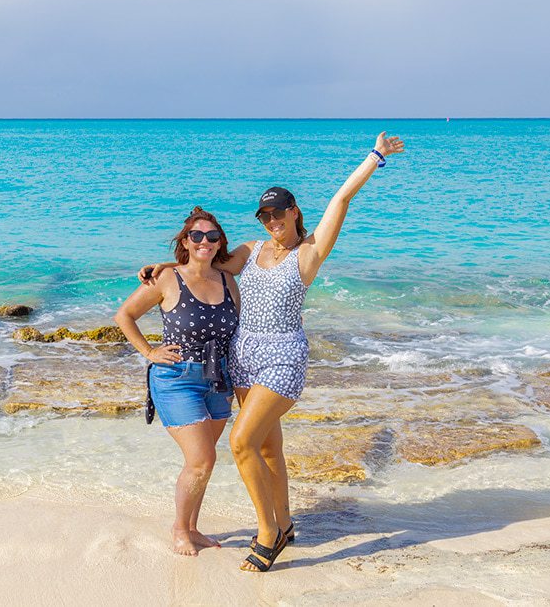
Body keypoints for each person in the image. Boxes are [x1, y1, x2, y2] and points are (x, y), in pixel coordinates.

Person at [139, 132, 405, 571]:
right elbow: (201, 266)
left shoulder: (309, 253)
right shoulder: (251, 250)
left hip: (283, 357)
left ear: (294, 211)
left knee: (241, 441)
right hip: (242, 357)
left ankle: (269, 532)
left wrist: (374, 158)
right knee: (266, 449)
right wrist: (164, 266)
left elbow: (340, 201)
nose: (271, 220)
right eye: (265, 215)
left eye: (278, 212)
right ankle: (286, 520)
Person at [114, 207, 241, 557]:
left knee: (205, 459)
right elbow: (124, 315)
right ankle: (179, 529)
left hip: (219, 378)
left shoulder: (228, 281)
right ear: (186, 241)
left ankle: (192, 527)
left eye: (212, 236)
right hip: (176, 379)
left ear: (219, 243)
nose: (205, 241)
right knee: (201, 460)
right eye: (197, 236)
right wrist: (149, 352)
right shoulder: (167, 279)